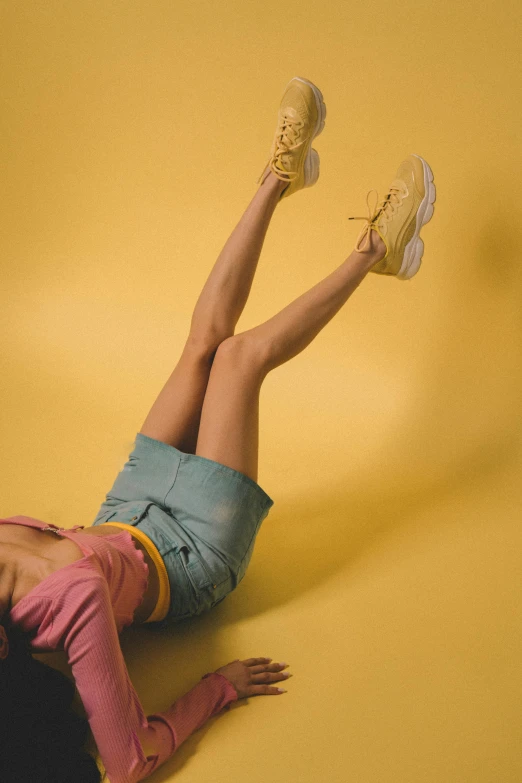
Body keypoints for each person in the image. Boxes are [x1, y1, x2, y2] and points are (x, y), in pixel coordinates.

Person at [0, 76, 436, 783]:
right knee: (239, 358)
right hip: (193, 553)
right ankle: (374, 251)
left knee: (202, 340)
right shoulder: (69, 609)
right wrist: (220, 686)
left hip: (128, 506)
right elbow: (129, 762)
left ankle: (278, 176)